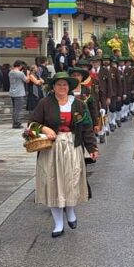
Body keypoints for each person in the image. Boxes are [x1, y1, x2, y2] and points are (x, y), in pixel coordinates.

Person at [29, 72, 98, 237]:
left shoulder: (79, 104)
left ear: (69, 87)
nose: (62, 87)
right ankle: (58, 224)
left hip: (72, 146)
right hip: (51, 149)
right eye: (58, 84)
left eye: (65, 85)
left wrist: (92, 148)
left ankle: (71, 210)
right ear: (53, 87)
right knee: (52, 183)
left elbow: (87, 128)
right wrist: (44, 128)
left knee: (71, 181)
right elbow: (32, 124)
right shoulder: (45, 103)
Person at [9, 60, 30, 128]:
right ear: (20, 65)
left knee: (15, 108)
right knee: (18, 109)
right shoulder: (20, 73)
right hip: (19, 93)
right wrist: (28, 73)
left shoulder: (10, 72)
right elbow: (27, 80)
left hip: (12, 92)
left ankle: (15, 122)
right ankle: (16, 123)